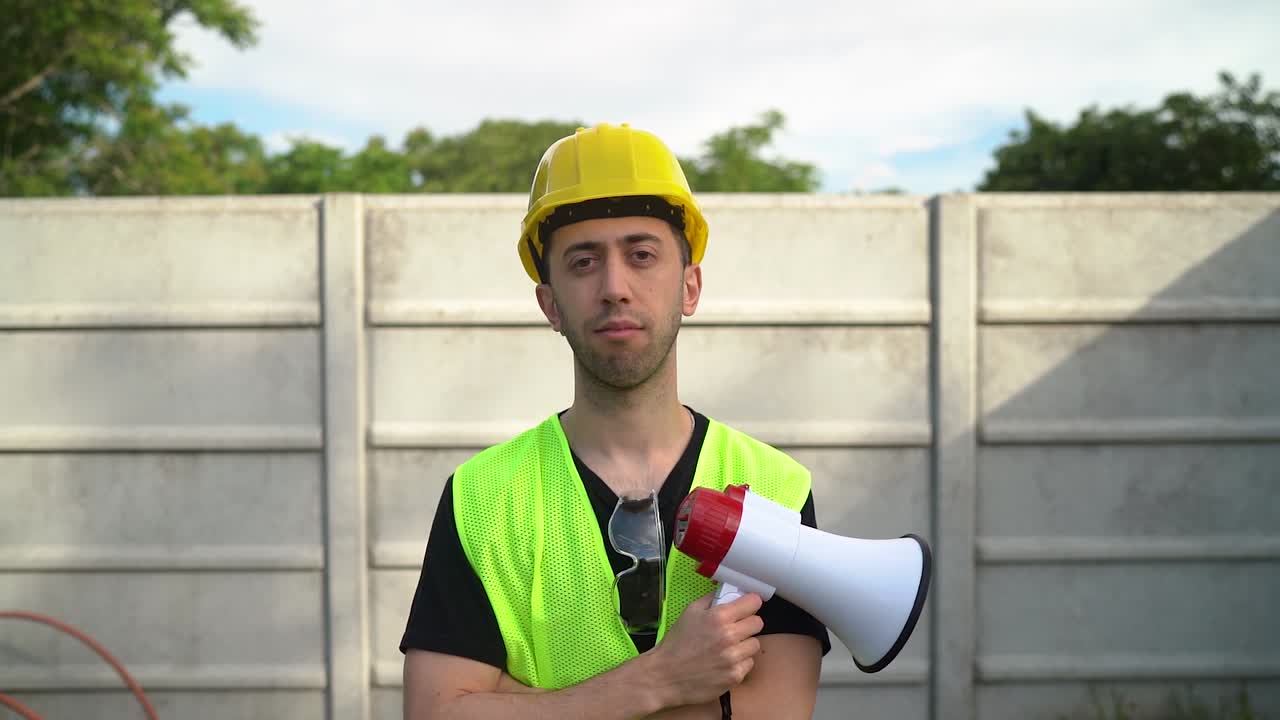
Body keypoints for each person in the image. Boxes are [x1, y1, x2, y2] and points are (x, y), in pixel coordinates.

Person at [400, 122, 831, 719]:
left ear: (690, 286)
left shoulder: (775, 488)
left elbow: (778, 713)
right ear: (549, 303)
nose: (614, 287)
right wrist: (660, 682)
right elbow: (435, 714)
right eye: (583, 262)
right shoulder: (483, 497)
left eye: (642, 254)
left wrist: (519, 705)